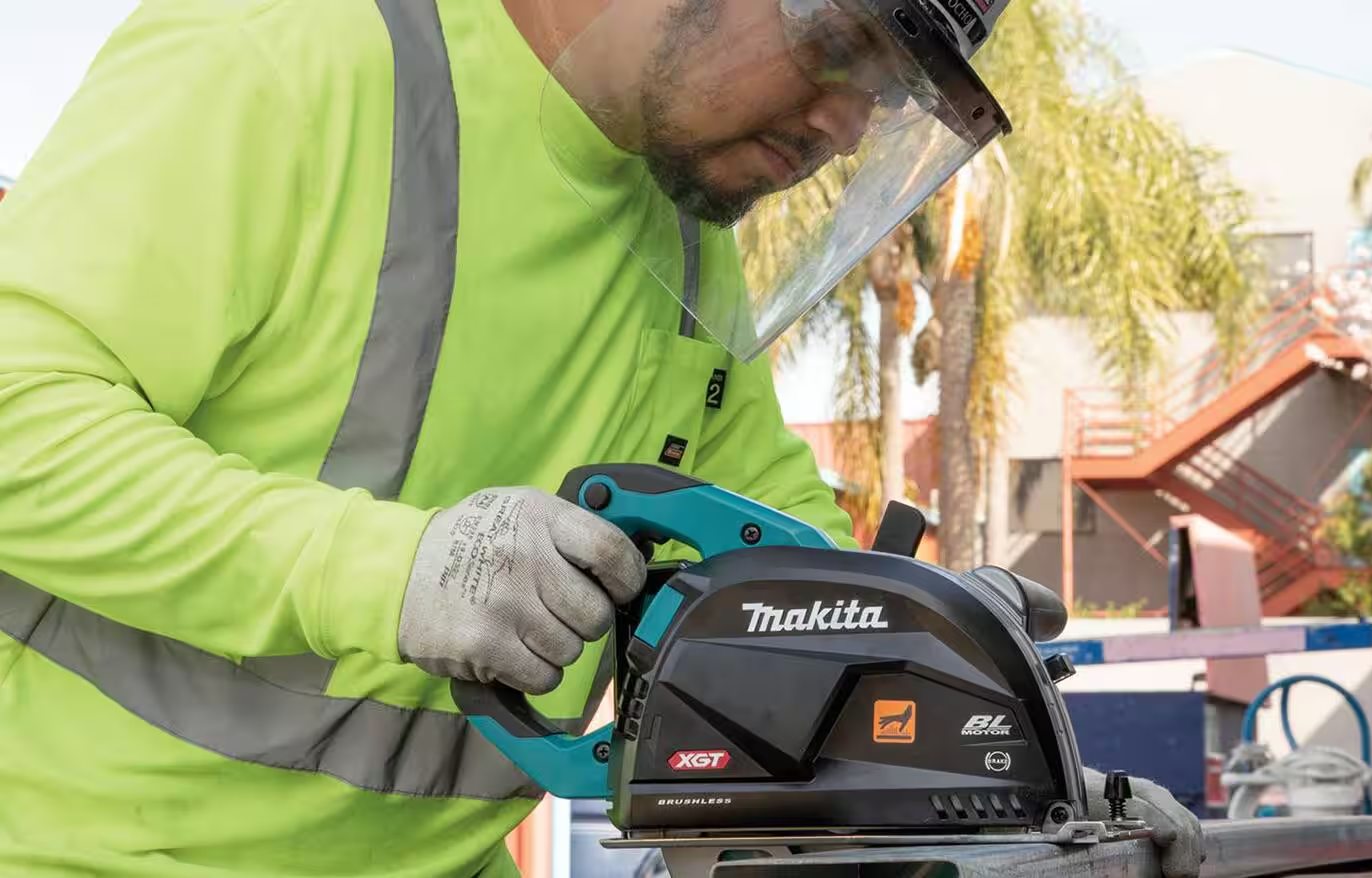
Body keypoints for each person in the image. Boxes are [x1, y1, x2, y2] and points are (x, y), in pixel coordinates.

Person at [0, 0, 1202, 874]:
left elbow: (772, 581)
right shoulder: (287, 53)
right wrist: (387, 571)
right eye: (839, 49)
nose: (844, 126)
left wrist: (997, 756)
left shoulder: (682, 232)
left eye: (885, 96)